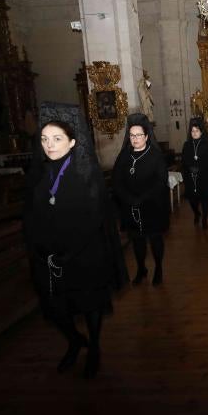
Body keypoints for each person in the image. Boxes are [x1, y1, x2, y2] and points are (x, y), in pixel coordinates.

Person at [23, 105, 128, 379]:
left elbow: (94, 218)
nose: (49, 145)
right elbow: (30, 216)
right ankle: (74, 340)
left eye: (57, 139)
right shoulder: (39, 173)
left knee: (89, 303)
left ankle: (94, 347)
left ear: (71, 142)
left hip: (82, 253)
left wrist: (69, 252)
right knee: (55, 307)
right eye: (44, 139)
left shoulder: (85, 174)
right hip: (48, 256)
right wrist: (40, 247)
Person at [112, 113, 170, 286]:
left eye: (138, 135)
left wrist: (142, 198)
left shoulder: (155, 156)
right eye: (132, 135)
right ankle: (141, 269)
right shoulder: (124, 156)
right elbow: (117, 181)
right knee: (137, 241)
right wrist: (128, 198)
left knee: (155, 240)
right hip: (130, 207)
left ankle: (158, 268)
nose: (135, 139)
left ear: (146, 136)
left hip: (152, 206)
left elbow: (160, 181)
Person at [181, 117, 208, 229]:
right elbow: (184, 160)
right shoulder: (187, 145)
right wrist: (190, 168)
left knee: (205, 200)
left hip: (204, 177)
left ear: (201, 132)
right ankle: (196, 213)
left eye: (197, 131)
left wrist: (199, 169)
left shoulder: (206, 145)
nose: (194, 133)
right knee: (192, 201)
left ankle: (205, 219)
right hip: (191, 177)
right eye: (192, 131)